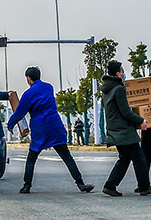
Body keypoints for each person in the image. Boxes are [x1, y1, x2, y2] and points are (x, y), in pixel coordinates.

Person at [8, 66, 94, 194]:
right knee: (66, 156)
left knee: (32, 158)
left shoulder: (28, 94)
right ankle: (80, 183)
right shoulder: (49, 87)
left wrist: (11, 125)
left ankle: (27, 186)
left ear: (28, 78)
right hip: (54, 126)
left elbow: (20, 112)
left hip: (40, 128)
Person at [100, 60, 151, 197]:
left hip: (114, 128)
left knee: (124, 159)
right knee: (139, 157)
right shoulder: (118, 89)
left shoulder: (106, 89)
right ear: (118, 74)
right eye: (122, 71)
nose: (123, 74)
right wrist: (141, 120)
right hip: (123, 130)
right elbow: (125, 112)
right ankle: (144, 187)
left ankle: (110, 186)